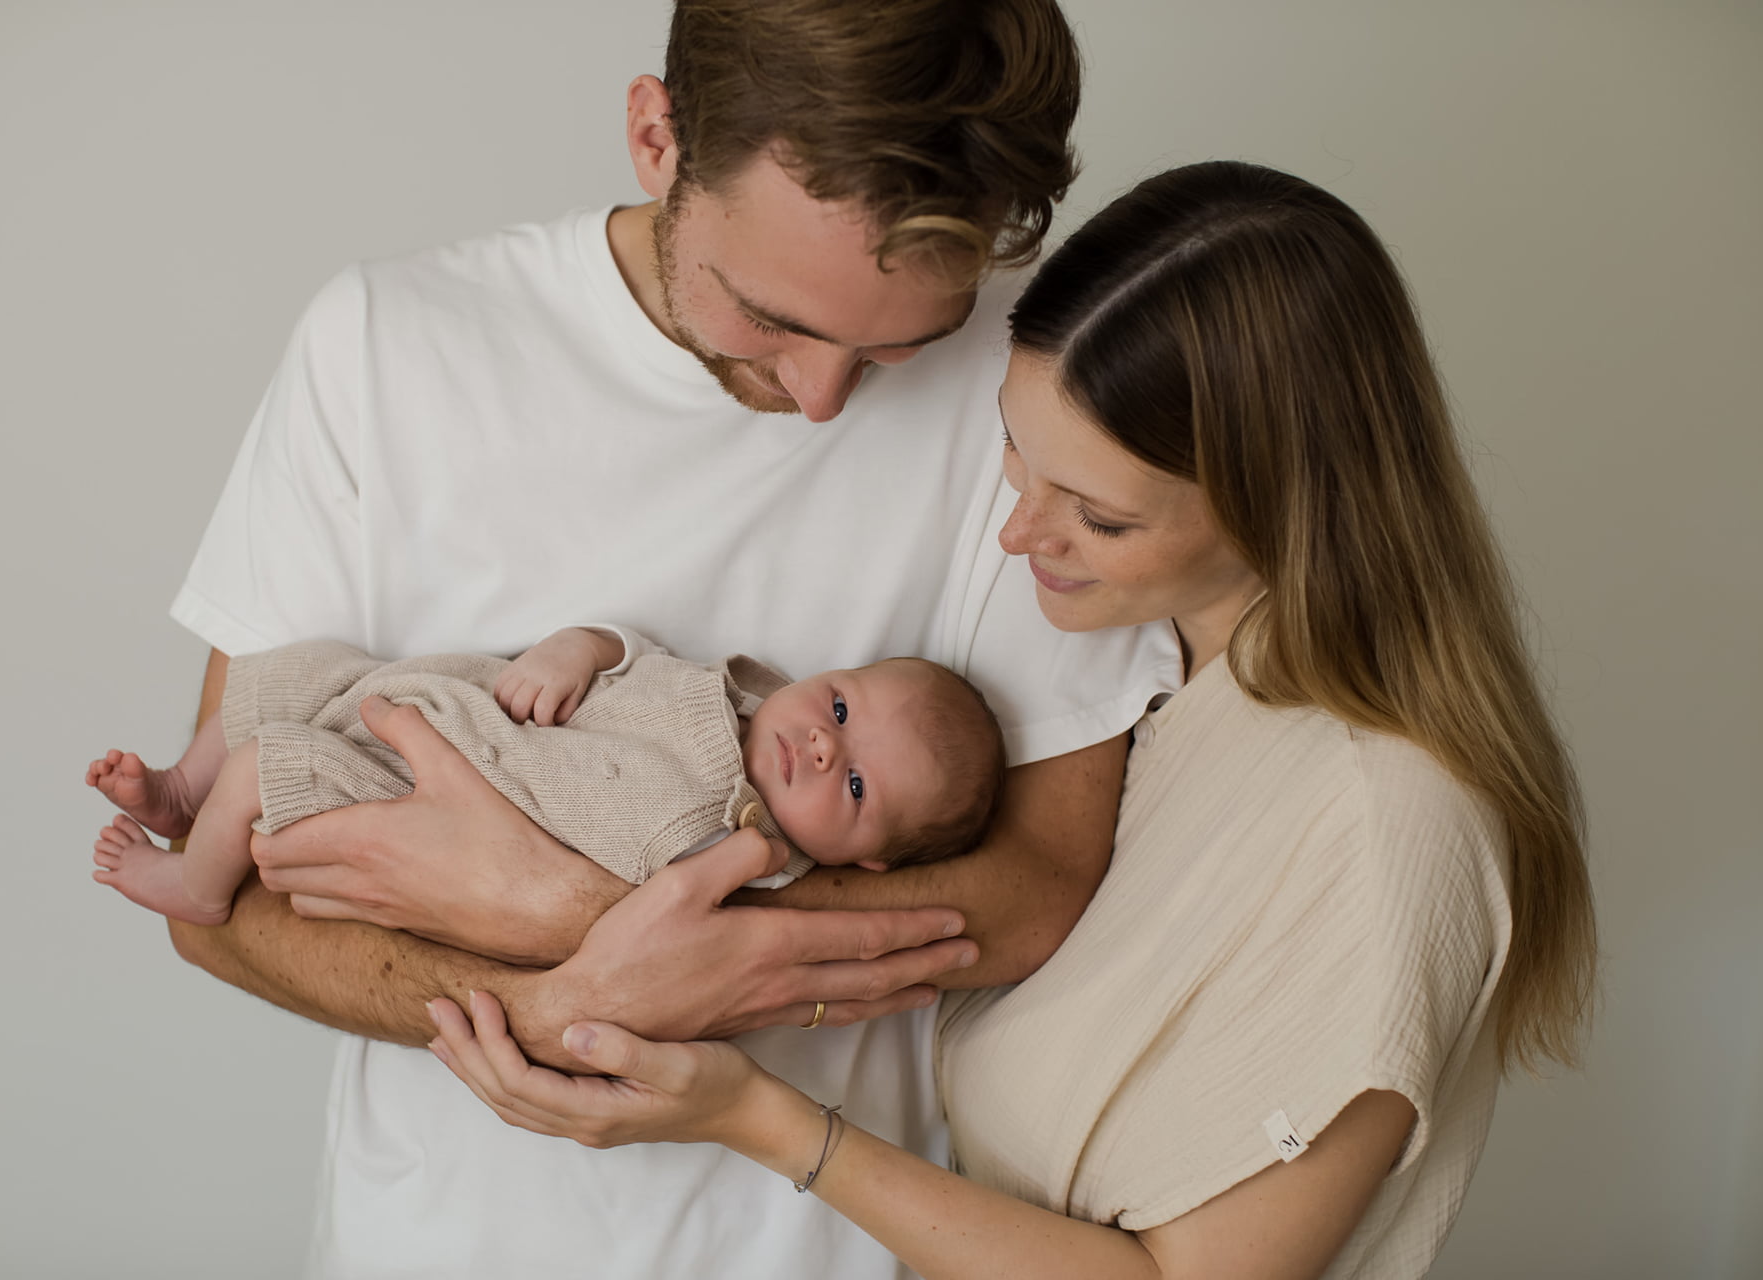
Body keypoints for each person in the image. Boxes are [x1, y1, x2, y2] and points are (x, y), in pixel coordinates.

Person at [423, 160, 1600, 1280]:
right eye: (1017, 455)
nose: (1018, 534)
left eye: (1094, 513)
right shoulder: (1156, 694)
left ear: (1281, 501)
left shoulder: (1389, 827)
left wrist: (757, 1115)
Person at [159, 2, 1181, 1276]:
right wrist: (549, 998)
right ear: (656, 136)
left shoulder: (1029, 393)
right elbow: (219, 904)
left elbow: (1037, 883)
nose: (823, 400)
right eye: (772, 319)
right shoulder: (382, 347)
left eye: (896, 345)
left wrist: (591, 916)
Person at [87, 623, 1005, 923]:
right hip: (444, 699)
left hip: (420, 798)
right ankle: (175, 789)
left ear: (870, 861)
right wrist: (575, 649)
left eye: (852, 788)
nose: (820, 748)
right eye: (839, 711)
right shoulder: (731, 692)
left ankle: (194, 884)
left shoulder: (729, 848)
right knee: (285, 671)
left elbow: (623, 908)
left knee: (266, 765)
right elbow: (623, 649)